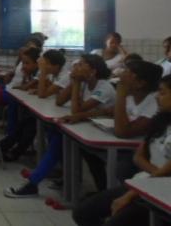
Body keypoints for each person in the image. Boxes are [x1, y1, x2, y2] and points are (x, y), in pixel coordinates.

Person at [4, 54, 116, 198]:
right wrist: (75, 81)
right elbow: (60, 101)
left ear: (93, 71)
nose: (76, 67)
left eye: (81, 65)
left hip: (104, 135)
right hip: (87, 128)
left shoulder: (104, 87)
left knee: (59, 142)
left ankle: (33, 182)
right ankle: (56, 179)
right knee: (56, 137)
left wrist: (75, 83)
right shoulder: (84, 83)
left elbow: (76, 110)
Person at [72, 75, 171, 226]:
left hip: (160, 191)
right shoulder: (161, 120)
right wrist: (157, 173)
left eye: (163, 93)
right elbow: (139, 157)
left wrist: (130, 195)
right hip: (144, 182)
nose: (157, 97)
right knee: (82, 212)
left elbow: (165, 173)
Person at [82, 59, 162, 191]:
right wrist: (78, 117)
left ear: (140, 83)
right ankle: (103, 190)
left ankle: (122, 196)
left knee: (123, 167)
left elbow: (122, 132)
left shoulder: (153, 102)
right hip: (124, 145)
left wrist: (121, 94)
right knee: (88, 150)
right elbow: (107, 111)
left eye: (127, 72)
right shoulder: (132, 96)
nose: (121, 75)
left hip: (141, 151)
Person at [0, 49, 67, 162]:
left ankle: (6, 150)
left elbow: (42, 94)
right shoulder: (52, 74)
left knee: (30, 125)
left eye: (45, 64)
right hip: (53, 110)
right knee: (25, 124)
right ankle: (3, 149)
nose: (43, 66)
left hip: (61, 114)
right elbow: (44, 91)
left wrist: (43, 73)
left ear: (55, 66)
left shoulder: (64, 76)